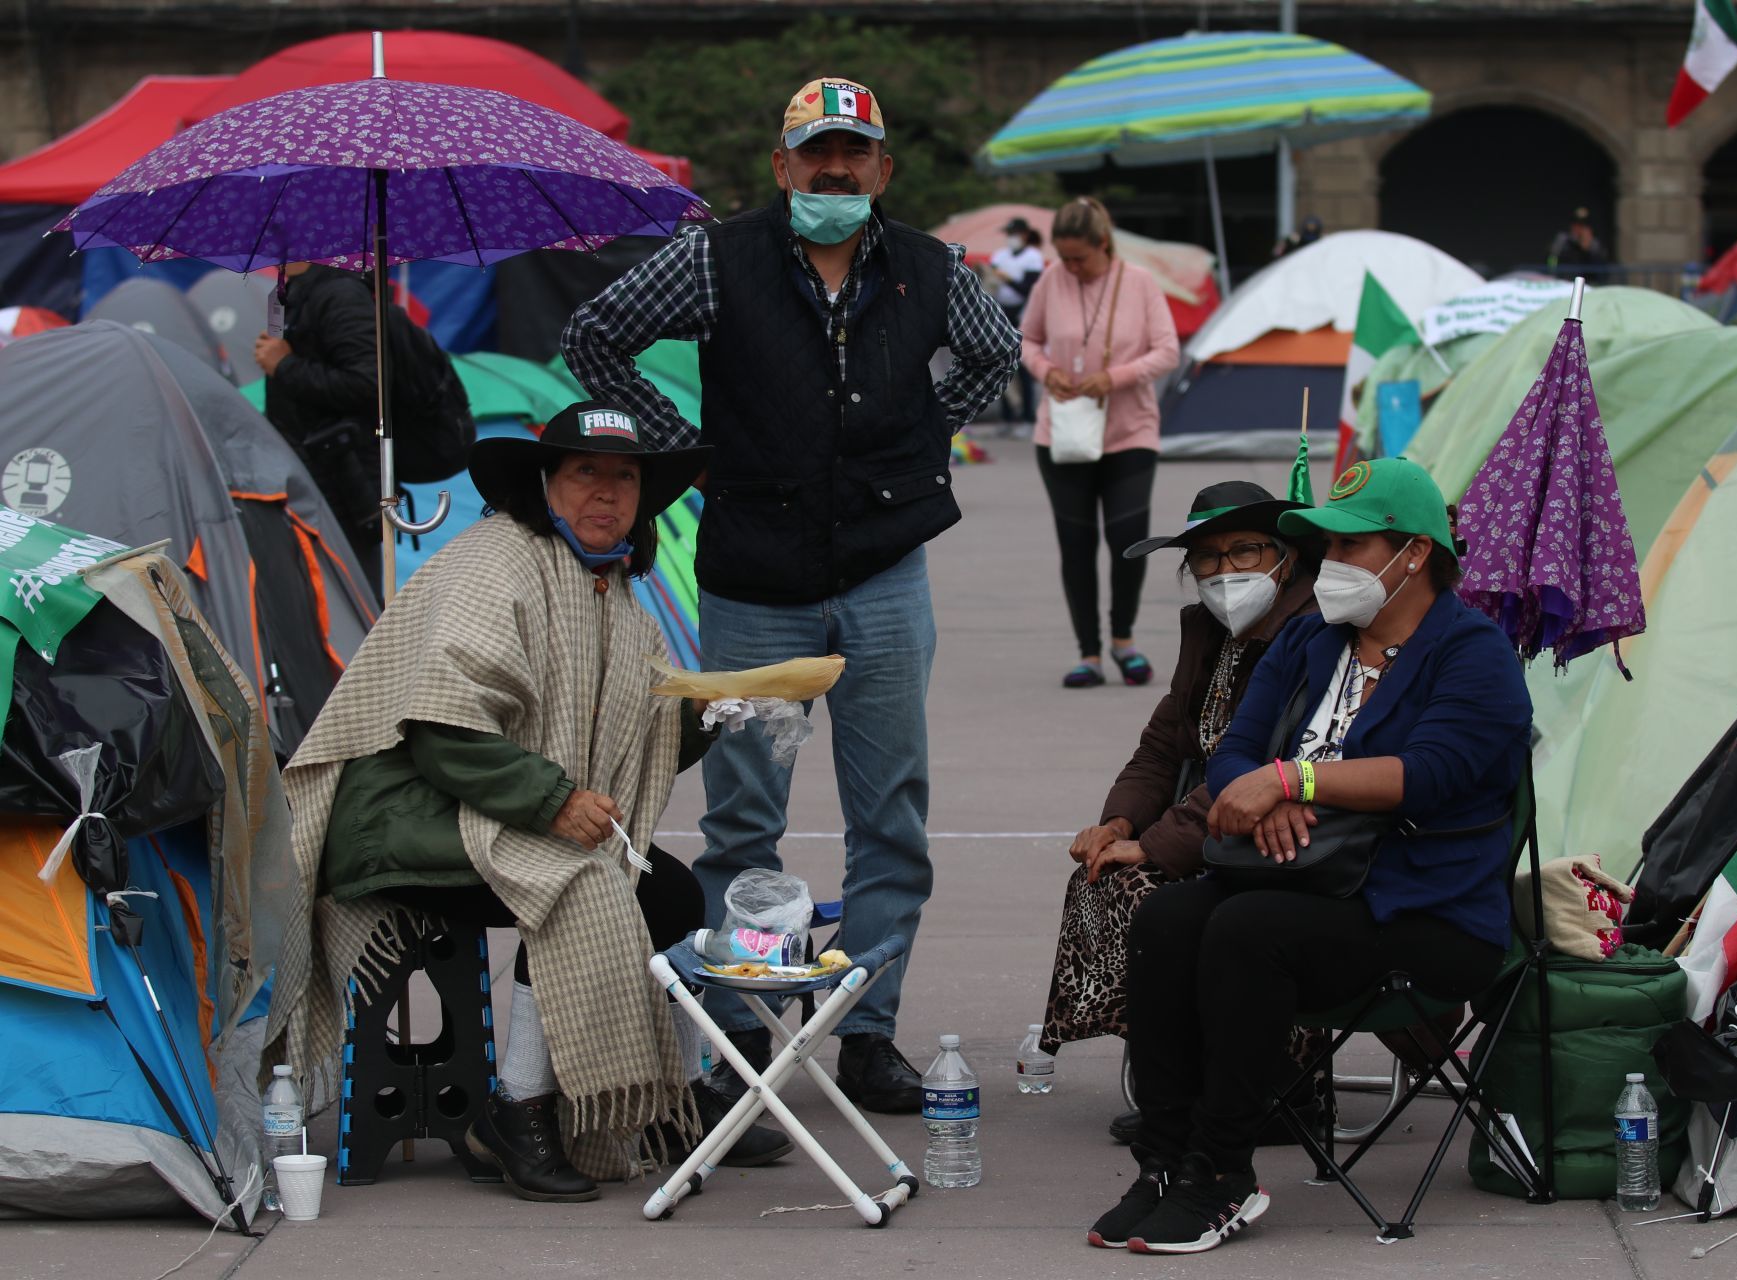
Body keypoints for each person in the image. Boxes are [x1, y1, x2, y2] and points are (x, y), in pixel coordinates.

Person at [562, 77, 1021, 1114]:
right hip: (753, 582)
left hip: (885, 577)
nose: (835, 168)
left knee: (892, 818)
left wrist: (922, 440)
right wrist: (681, 444)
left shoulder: (931, 269)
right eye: (817, 151)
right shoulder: (714, 258)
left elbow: (997, 353)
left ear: (882, 170)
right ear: (781, 165)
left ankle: (866, 1029)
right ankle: (737, 1034)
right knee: (742, 821)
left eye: (855, 152)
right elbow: (594, 338)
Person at [264, 403, 792, 1206]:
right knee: (578, 879)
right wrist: (553, 800)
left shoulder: (614, 596)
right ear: (545, 483)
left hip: (494, 810)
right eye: (586, 472)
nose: (607, 493)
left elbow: (637, 739)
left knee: (674, 892)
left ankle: (670, 1102)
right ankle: (516, 1111)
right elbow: (444, 732)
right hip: (397, 816)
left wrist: (710, 711)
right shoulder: (495, 563)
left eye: (625, 477)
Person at [1089, 458, 1531, 1254]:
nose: (1331, 566)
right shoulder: (1311, 639)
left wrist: (1294, 780)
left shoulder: (1474, 653)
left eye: (1352, 549)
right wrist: (1264, 796)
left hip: (1423, 911)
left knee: (1246, 930)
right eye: (1324, 548)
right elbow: (1235, 756)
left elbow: (1429, 774)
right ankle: (1162, 1161)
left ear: (1415, 554)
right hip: (1304, 875)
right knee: (1167, 915)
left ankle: (1222, 1171)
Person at [1039, 481, 1329, 1145]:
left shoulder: (1309, 635)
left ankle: (1271, 1083)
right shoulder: (1210, 632)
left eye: (1245, 552)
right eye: (1207, 559)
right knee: (1103, 872)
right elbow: (1162, 747)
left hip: (1279, 822)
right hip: (1206, 815)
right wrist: (1117, 824)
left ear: (1285, 558)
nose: (1225, 572)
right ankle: (1175, 1074)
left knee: (1154, 887)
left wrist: (1160, 844)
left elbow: (1267, 763)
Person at [1021, 196, 1182, 689]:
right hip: (1063, 436)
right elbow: (1025, 340)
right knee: (1076, 544)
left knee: (1126, 541)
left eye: (1079, 259)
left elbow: (1168, 351)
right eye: (1064, 258)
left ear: (1103, 244)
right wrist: (1047, 372)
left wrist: (1115, 377)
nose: (1071, 268)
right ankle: (1088, 653)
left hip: (1129, 433)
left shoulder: (1139, 283)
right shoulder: (1051, 280)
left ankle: (1124, 642)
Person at [254, 262, 382, 585]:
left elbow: (368, 383)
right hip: (305, 475)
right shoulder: (294, 291)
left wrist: (285, 366)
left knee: (352, 590)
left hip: (344, 483)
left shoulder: (341, 294)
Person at [987, 217, 1047, 429]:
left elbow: (1028, 289)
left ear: (1023, 235)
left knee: (1024, 368)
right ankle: (1007, 417)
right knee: (1001, 366)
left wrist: (1007, 279)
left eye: (1014, 234)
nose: (1010, 239)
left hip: (1023, 315)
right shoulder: (999, 256)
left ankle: (1028, 417)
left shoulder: (1033, 257)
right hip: (1001, 314)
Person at [1547, 207, 1611, 274]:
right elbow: (1551, 261)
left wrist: (1587, 249)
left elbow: (1602, 271)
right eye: (1576, 224)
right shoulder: (1563, 240)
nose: (1579, 228)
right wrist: (1553, 271)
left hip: (1587, 282)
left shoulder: (1595, 244)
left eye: (1583, 225)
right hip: (1564, 281)